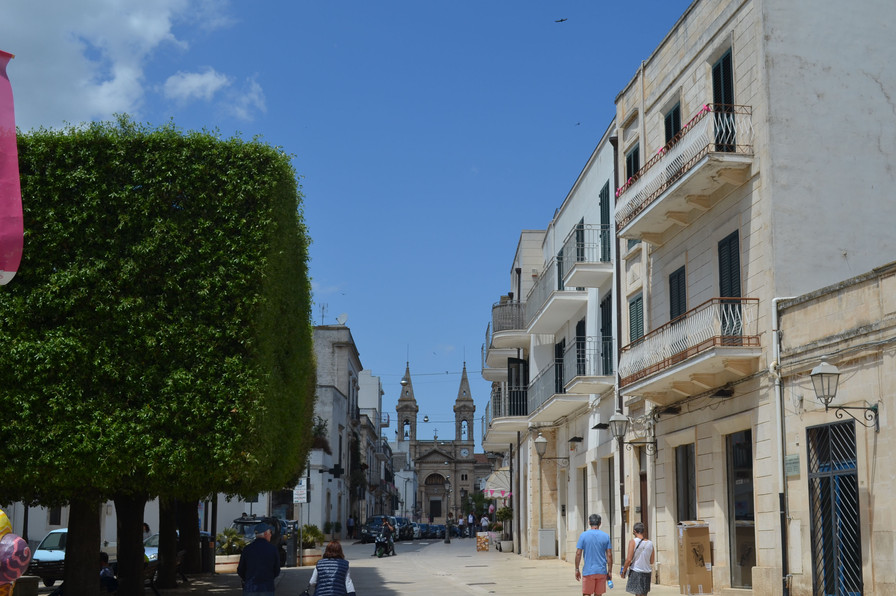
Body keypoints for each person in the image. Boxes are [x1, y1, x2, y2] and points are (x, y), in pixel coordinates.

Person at [237, 522, 280, 596]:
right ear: (265, 534)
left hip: (250, 588)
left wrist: (247, 578)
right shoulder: (273, 549)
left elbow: (240, 569)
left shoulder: (247, 549)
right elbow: (277, 570)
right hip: (267, 588)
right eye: (270, 532)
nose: (271, 535)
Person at [575, 513, 613, 596]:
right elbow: (609, 555)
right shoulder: (606, 536)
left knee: (586, 594)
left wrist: (577, 569)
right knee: (598, 594)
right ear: (600, 523)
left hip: (588, 571)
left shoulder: (583, 535)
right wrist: (609, 571)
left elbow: (578, 553)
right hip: (601, 571)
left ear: (589, 522)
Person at [621, 522, 655, 596]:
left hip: (636, 571)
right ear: (643, 531)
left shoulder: (633, 542)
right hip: (647, 572)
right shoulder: (650, 543)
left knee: (638, 594)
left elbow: (629, 559)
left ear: (634, 531)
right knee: (644, 593)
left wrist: (624, 571)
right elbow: (652, 561)